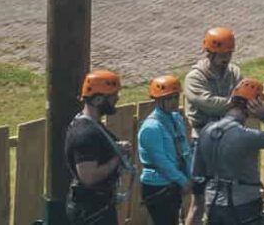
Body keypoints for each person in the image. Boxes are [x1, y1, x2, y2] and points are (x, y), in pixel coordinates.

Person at [192, 80, 264, 225]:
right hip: (244, 203)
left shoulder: (206, 131)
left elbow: (197, 172)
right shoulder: (247, 136)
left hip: (213, 203)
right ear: (254, 104)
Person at [63, 69, 128, 225]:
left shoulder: (90, 125)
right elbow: (89, 177)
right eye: (113, 96)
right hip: (91, 211)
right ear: (98, 99)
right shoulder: (86, 133)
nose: (117, 99)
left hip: (96, 206)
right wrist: (117, 156)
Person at [136, 75, 193, 225]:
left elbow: (184, 149)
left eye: (176, 97)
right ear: (158, 100)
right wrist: (183, 180)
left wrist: (190, 174)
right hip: (157, 185)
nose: (174, 101)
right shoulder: (151, 128)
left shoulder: (176, 119)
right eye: (169, 98)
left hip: (173, 182)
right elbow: (161, 161)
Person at [182, 28, 242, 135]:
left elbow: (245, 98)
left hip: (230, 133)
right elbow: (209, 104)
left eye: (229, 54)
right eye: (222, 55)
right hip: (203, 135)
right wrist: (235, 102)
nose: (227, 58)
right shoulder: (194, 78)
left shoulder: (234, 72)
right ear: (210, 54)